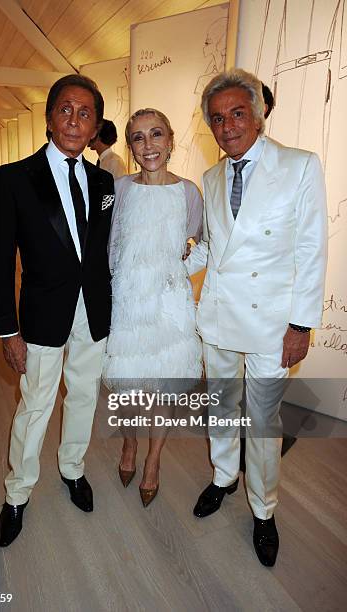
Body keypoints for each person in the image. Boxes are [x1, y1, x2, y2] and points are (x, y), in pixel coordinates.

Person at [186, 68, 327, 566]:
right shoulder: (210, 176)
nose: (226, 127)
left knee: (263, 421)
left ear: (260, 113)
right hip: (220, 316)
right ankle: (223, 477)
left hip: (271, 323)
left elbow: (312, 249)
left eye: (237, 114)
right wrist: (170, 269)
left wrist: (302, 324)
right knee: (222, 407)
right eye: (218, 119)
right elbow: (210, 246)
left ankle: (263, 510)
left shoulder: (299, 166)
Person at [0, 74, 115, 547]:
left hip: (92, 313)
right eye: (66, 109)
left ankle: (72, 468)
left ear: (96, 124)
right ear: (49, 117)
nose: (74, 121)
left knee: (83, 396)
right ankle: (17, 494)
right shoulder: (14, 179)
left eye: (85, 113)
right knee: (35, 404)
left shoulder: (103, 181)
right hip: (40, 315)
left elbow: (101, 253)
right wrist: (7, 329)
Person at [104, 108, 203, 507]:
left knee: (162, 386)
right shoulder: (120, 188)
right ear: (129, 146)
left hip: (169, 303)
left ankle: (153, 461)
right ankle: (129, 446)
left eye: (156, 134)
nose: (149, 146)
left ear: (171, 140)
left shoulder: (189, 192)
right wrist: (115, 284)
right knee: (128, 383)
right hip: (127, 301)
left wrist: (177, 271)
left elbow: (203, 243)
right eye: (139, 138)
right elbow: (110, 243)